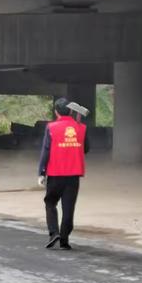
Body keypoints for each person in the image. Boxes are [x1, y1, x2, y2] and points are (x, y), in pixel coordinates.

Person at [38, 98, 90, 250]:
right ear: (72, 111)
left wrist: (41, 172)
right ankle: (64, 240)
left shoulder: (51, 127)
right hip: (73, 176)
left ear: (56, 112)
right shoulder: (81, 128)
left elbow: (45, 151)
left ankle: (54, 232)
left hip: (55, 174)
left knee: (50, 203)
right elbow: (85, 149)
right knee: (68, 208)